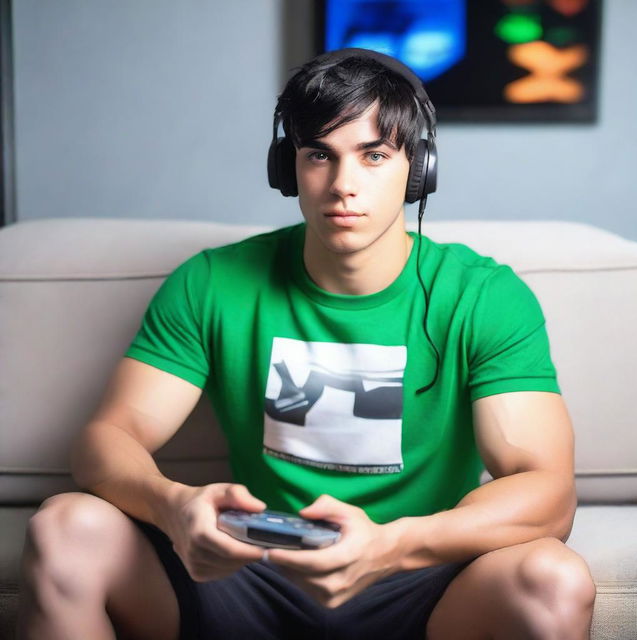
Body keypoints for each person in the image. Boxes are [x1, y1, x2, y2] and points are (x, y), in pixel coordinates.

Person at [17, 48, 596, 640]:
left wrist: (393, 545)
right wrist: (173, 506)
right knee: (65, 526)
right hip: (247, 573)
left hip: (420, 581)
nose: (344, 185)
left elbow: (548, 494)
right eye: (320, 155)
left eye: (374, 156)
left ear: (417, 169)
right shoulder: (213, 282)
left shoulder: (483, 296)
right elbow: (105, 439)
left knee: (554, 578)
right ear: (287, 167)